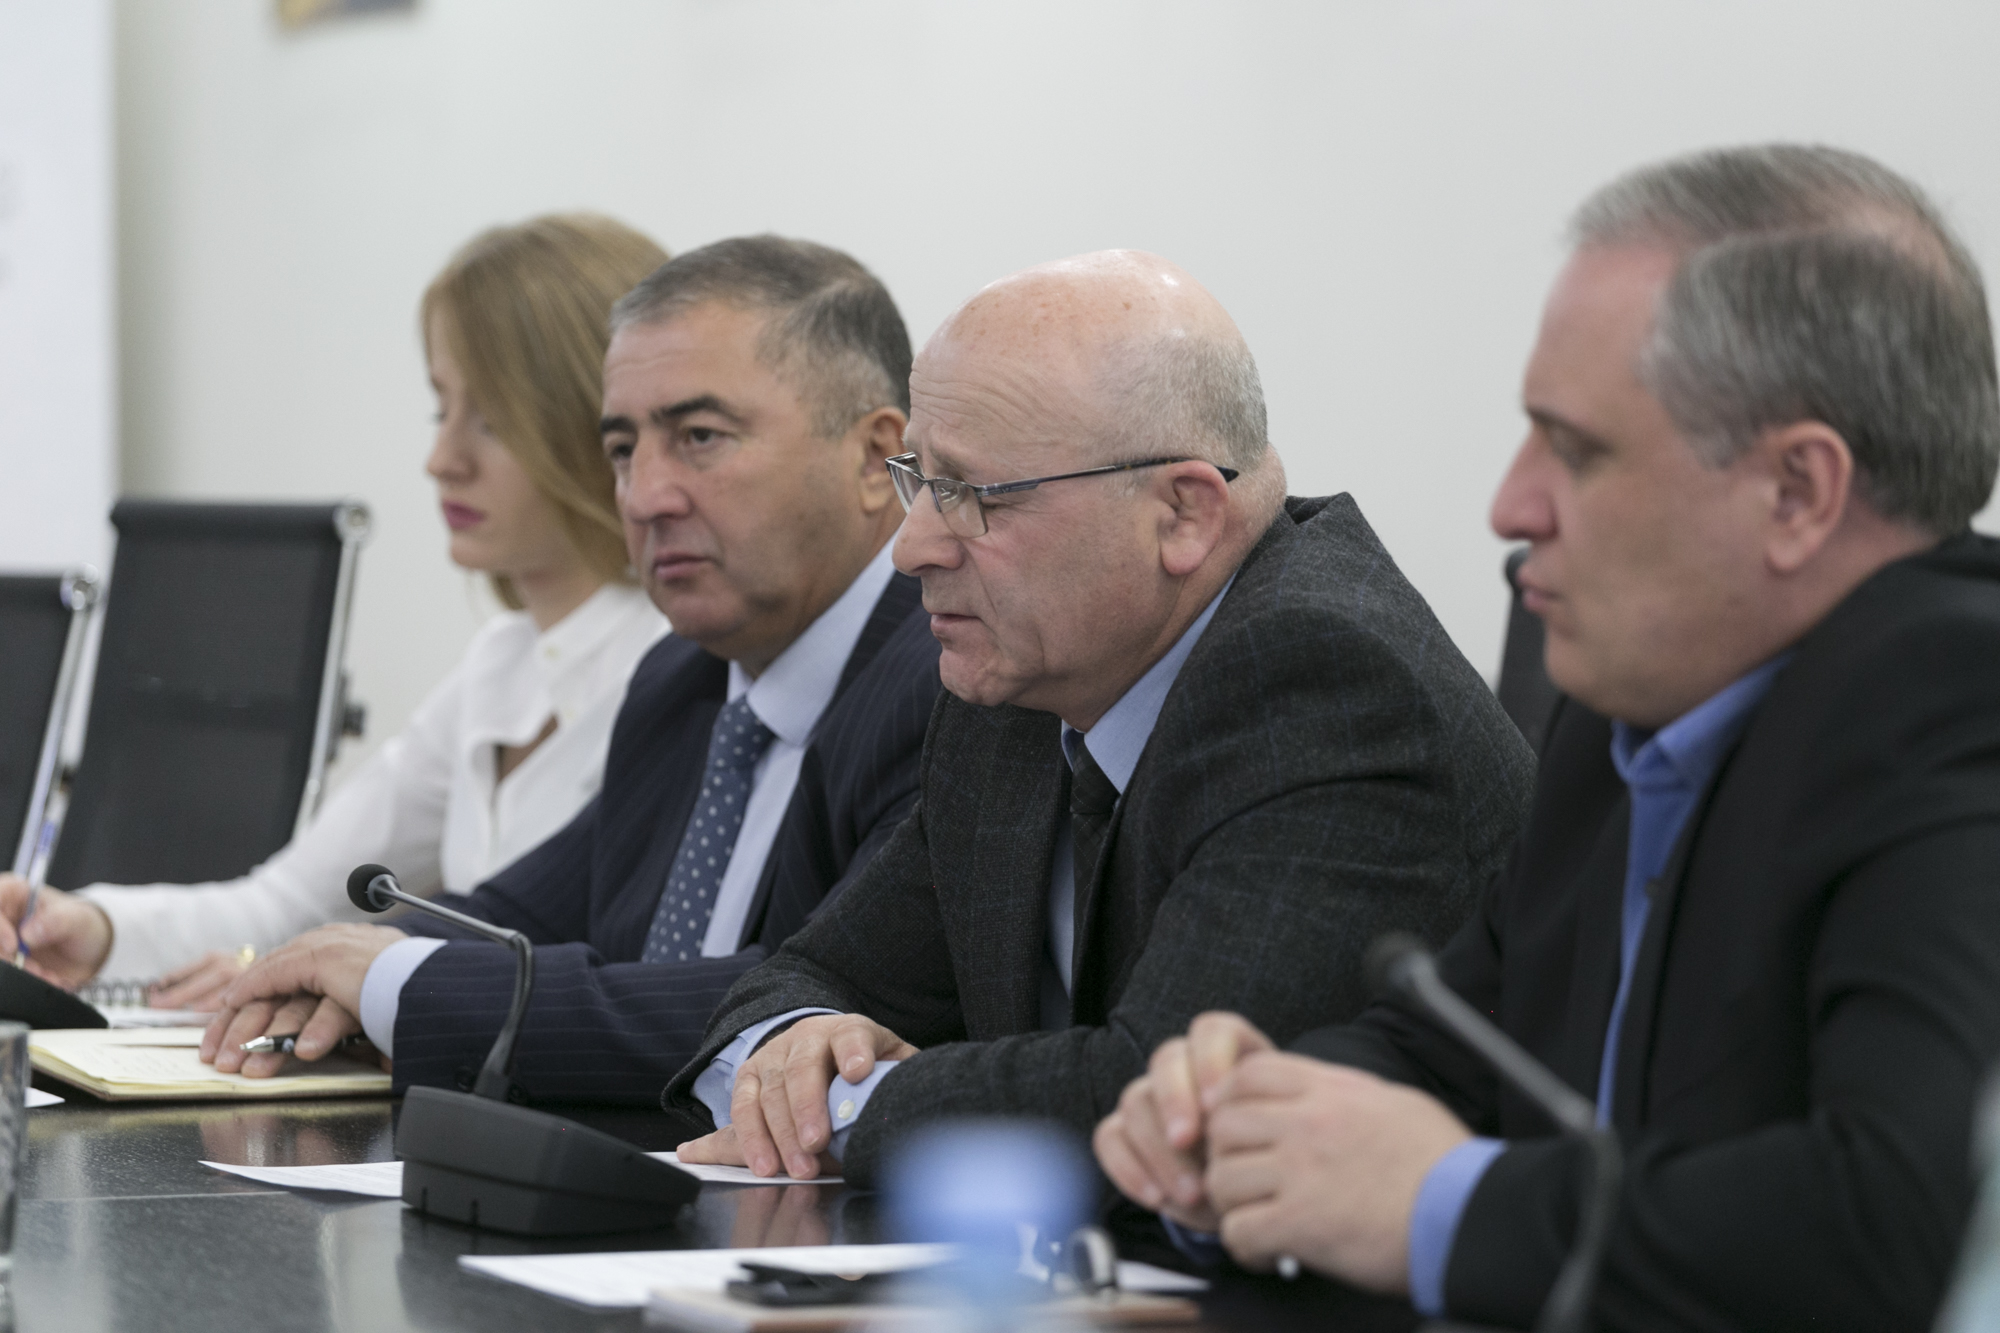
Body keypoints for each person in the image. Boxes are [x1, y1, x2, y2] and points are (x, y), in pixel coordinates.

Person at [1093, 144, 2000, 1333]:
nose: (1509, 508)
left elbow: (1891, 1226)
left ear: (1794, 492)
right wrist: (1252, 1128)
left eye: (1575, 450)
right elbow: (1449, 1049)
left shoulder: (1959, 701)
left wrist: (1440, 1203)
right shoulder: (1627, 712)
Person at [665, 249, 1537, 1185]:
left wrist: (847, 1107)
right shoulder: (1024, 681)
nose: (911, 548)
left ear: (1183, 513)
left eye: (970, 496)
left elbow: (1165, 1107)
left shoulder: (1326, 686)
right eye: (920, 479)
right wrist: (799, 1045)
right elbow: (806, 977)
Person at [195, 236, 944, 1104]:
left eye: (701, 437)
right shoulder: (683, 680)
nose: (646, 495)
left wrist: (401, 984)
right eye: (623, 449)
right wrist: (332, 970)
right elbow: (517, 920)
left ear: (873, 458)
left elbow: (803, 996)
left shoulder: (943, 685)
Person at [0, 215, 670, 1009]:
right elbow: (291, 902)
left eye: (492, 421)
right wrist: (98, 927)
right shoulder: (503, 663)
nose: (441, 459)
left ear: (599, 426)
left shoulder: (682, 678)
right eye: (441, 411)